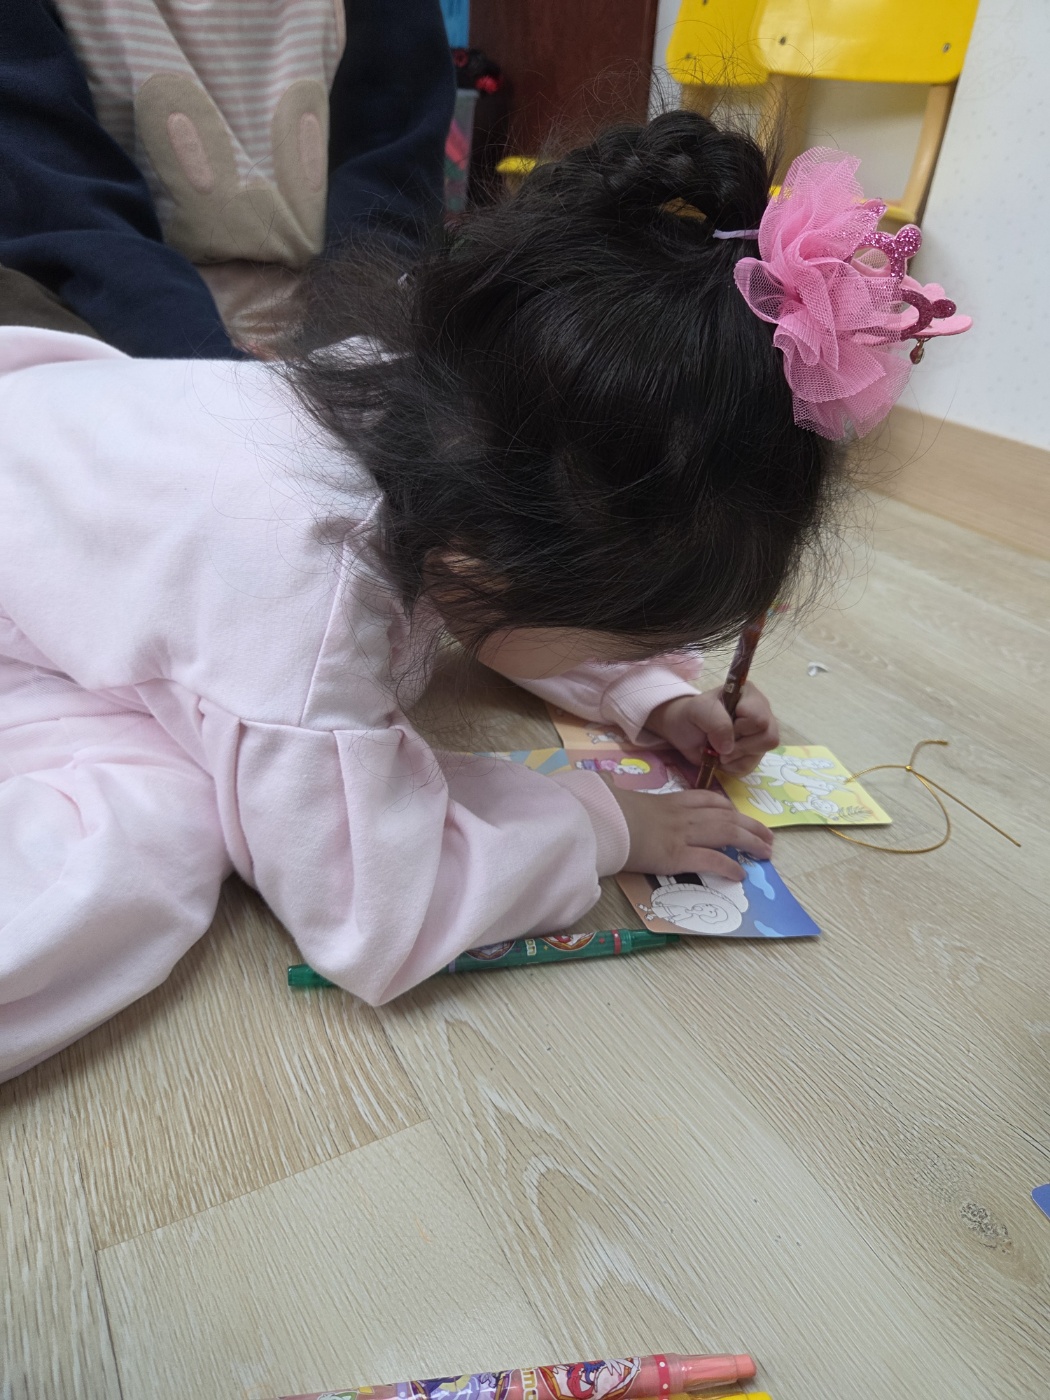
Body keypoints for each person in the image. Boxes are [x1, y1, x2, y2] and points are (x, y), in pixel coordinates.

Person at [0, 112, 969, 1079]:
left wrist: (647, 695)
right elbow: (372, 911)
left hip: (55, 454)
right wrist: (607, 826)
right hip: (24, 622)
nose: (637, 652)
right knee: (144, 843)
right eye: (629, 636)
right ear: (488, 565)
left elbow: (526, 585)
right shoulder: (305, 607)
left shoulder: (434, 411)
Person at [0, 0, 455, 356]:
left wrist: (342, 356)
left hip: (339, 303)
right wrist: (208, 372)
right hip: (102, 310)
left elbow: (391, 170)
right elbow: (56, 201)